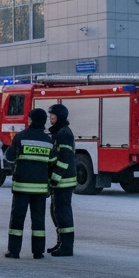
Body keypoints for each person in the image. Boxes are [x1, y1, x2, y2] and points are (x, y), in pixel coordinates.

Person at [5, 108, 55, 259]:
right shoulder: (48, 140)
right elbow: (52, 162)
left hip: (21, 186)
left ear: (32, 120)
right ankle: (38, 252)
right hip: (40, 188)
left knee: (17, 220)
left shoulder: (21, 136)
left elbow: (9, 157)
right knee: (38, 220)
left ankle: (14, 251)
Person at [46, 103, 77, 256]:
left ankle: (67, 246)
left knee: (62, 212)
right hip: (60, 181)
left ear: (60, 117)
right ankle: (61, 243)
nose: (50, 118)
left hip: (64, 181)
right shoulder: (58, 131)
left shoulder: (64, 133)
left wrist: (54, 179)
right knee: (56, 212)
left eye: (53, 115)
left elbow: (65, 158)